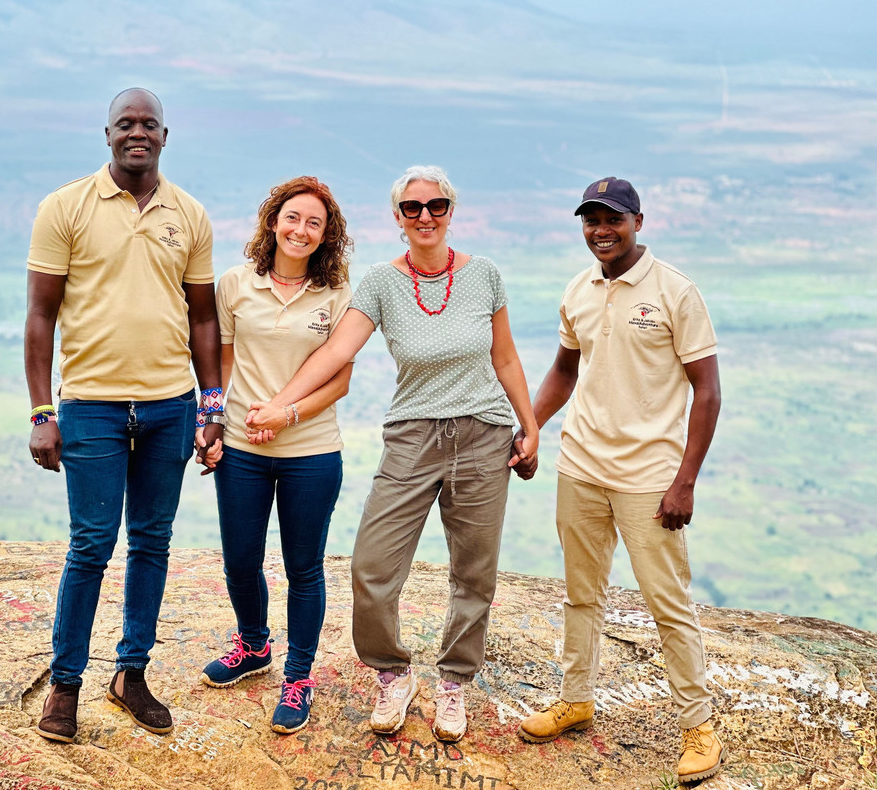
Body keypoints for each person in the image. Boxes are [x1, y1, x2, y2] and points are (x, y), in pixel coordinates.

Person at [245, 165, 539, 743]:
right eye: (412, 207)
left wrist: (529, 427)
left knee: (473, 572)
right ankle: (391, 673)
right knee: (372, 567)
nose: (425, 216)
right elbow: (335, 353)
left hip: (483, 433)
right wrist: (281, 405)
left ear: (451, 210)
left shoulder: (485, 277)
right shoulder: (381, 282)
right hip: (411, 436)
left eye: (436, 205)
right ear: (398, 217)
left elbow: (505, 358)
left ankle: (454, 681)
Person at [25, 88, 224, 743]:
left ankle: (130, 674)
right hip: (92, 408)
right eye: (124, 124)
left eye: (148, 125)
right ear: (106, 133)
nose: (136, 133)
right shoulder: (66, 207)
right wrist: (40, 412)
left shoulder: (188, 215)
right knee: (89, 546)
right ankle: (65, 686)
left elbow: (203, 317)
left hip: (169, 407)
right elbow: (41, 316)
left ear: (166, 134)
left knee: (153, 543)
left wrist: (210, 404)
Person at [515, 177, 723, 784]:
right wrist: (530, 427)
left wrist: (685, 480)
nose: (601, 230)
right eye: (590, 220)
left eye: (613, 219)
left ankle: (698, 728)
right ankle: (576, 698)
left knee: (668, 605)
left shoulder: (675, 292)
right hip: (579, 466)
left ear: (639, 221)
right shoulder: (579, 290)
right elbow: (563, 369)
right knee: (582, 593)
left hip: (649, 478)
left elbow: (707, 390)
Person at [195, 176, 354, 735]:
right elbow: (222, 365)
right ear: (272, 221)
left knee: (303, 567)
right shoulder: (237, 284)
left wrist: (283, 416)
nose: (301, 230)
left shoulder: (337, 296)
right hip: (241, 446)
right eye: (292, 217)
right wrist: (210, 421)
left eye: (314, 223)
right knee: (240, 559)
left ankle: (298, 676)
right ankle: (255, 646)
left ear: (326, 236)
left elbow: (339, 382)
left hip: (311, 450)